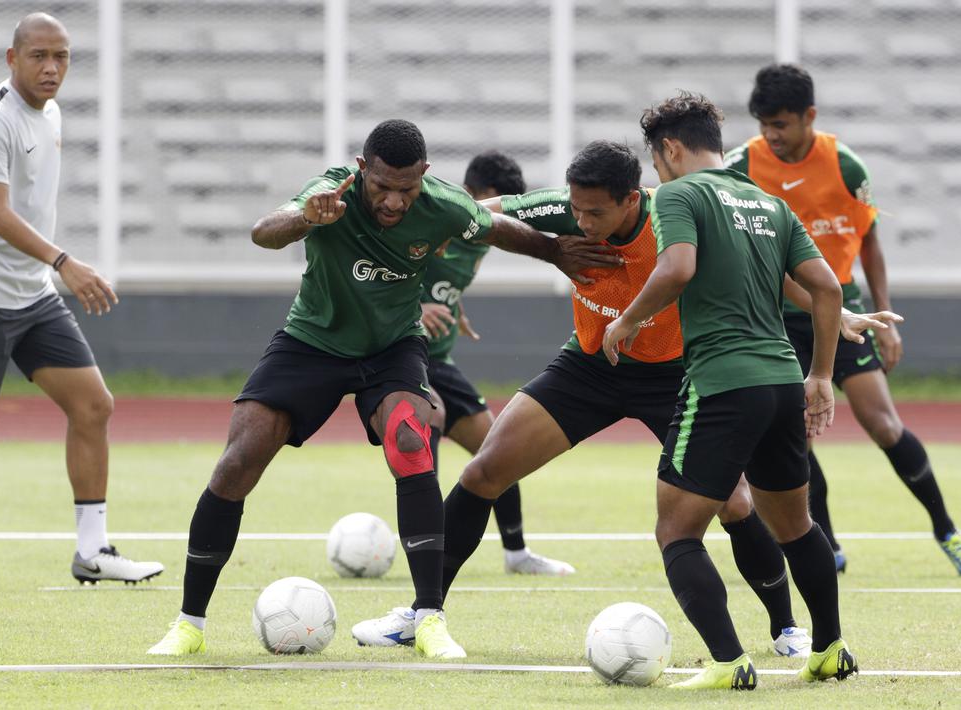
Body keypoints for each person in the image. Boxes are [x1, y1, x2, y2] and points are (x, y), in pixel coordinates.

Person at [356, 140, 896, 658]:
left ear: (631, 201)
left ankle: (786, 628)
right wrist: (417, 207)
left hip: (674, 375)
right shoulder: (566, 209)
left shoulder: (675, 216)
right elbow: (482, 211)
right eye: (576, 210)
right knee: (484, 472)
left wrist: (840, 313)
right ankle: (421, 612)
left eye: (595, 213)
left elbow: (773, 273)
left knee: (734, 502)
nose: (582, 222)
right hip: (591, 366)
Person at [146, 119, 620, 658]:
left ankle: (429, 618)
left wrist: (556, 253)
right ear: (362, 168)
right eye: (383, 188)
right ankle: (189, 624)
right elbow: (263, 231)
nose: (395, 202)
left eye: (407, 189)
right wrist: (305, 217)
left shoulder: (442, 203)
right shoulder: (330, 191)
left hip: (392, 347)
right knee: (238, 461)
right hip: (313, 340)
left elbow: (495, 229)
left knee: (412, 440)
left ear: (425, 176)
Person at [0, 13, 163, 592]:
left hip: (32, 295)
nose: (51, 67)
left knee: (94, 406)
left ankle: (92, 551)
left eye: (61, 56)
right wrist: (65, 262)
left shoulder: (53, 112)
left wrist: (49, 271)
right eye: (39, 55)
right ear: (11, 58)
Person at [601, 92, 856, 690]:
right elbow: (828, 290)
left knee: (676, 530)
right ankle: (830, 648)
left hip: (721, 382)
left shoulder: (679, 194)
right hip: (780, 380)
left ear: (668, 149)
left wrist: (628, 319)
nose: (657, 173)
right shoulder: (767, 201)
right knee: (798, 526)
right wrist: (819, 375)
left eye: (656, 160)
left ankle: (728, 662)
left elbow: (678, 267)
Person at [726, 63, 961, 577]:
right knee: (791, 436)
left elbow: (869, 241)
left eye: (781, 124)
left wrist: (885, 319)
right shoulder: (740, 168)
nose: (771, 136)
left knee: (883, 422)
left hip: (841, 309)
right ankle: (827, 544)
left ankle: (946, 529)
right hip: (773, 319)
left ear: (809, 117)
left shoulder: (847, 168)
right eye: (764, 125)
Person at [417, 151, 577, 578]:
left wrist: (453, 304)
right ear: (479, 195)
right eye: (500, 201)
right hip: (397, 350)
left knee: (498, 448)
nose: (505, 215)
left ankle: (517, 553)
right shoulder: (438, 219)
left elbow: (442, 280)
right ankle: (425, 545)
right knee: (429, 414)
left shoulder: (480, 239)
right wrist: (417, 309)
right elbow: (389, 266)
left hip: (439, 357)